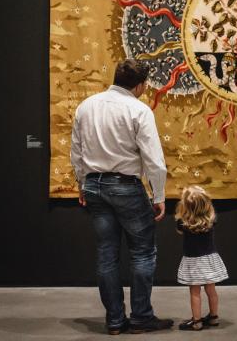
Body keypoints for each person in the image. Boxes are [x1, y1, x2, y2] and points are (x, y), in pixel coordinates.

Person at [70, 59, 173, 335]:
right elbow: (154, 160)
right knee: (141, 252)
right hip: (125, 186)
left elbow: (76, 151)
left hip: (93, 186)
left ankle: (115, 320)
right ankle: (141, 317)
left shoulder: (86, 106)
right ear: (140, 85)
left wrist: (81, 184)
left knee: (107, 255)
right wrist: (158, 195)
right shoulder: (138, 109)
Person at [175, 186, 229, 331]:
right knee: (211, 290)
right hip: (209, 260)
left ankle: (197, 321)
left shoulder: (183, 223)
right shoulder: (211, 221)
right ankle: (213, 317)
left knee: (195, 292)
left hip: (193, 262)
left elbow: (180, 231)